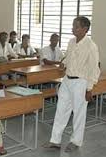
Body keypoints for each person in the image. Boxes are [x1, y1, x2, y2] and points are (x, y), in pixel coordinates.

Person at [43, 16, 100, 152]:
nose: (72, 28)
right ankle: (55, 140)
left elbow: (94, 69)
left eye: (76, 26)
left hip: (81, 82)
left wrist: (89, 89)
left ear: (85, 29)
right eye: (73, 25)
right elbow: (67, 58)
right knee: (61, 110)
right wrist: (63, 65)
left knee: (79, 113)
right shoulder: (71, 42)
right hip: (67, 80)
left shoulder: (91, 46)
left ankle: (75, 141)